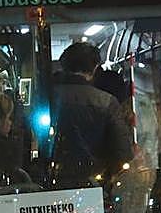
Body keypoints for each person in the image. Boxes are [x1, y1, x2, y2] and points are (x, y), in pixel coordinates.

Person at [48, 42, 133, 190]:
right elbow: (122, 151)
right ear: (94, 68)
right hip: (93, 184)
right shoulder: (106, 102)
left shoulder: (48, 98)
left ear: (64, 66)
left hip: (51, 182)